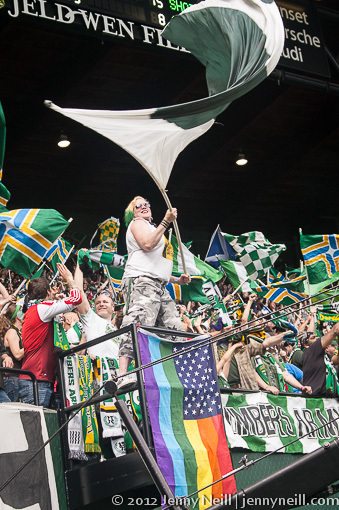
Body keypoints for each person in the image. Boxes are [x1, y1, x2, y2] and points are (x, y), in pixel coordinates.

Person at [118, 196, 191, 388]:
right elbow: (147, 245)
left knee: (174, 329)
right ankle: (122, 374)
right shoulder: (138, 224)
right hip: (141, 280)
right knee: (138, 323)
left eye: (146, 204)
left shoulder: (156, 230)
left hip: (159, 284)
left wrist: (176, 279)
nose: (142, 207)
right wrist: (166, 222)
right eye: (137, 206)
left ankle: (172, 374)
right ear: (131, 213)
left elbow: (157, 265)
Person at [19, 267, 82, 408]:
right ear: (48, 292)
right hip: (36, 379)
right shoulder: (42, 308)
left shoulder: (35, 310)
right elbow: (77, 299)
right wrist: (70, 279)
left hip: (39, 379)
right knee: (36, 428)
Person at [302, 323, 339, 397]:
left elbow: (337, 359)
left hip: (328, 402)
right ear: (305, 345)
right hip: (316, 400)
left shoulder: (323, 356)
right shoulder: (311, 350)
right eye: (313, 338)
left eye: (317, 337)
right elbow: (335, 330)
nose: (317, 338)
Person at [0, 303, 25, 401]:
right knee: (10, 408)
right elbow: (17, 354)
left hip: (17, 377)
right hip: (12, 378)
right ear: (18, 316)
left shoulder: (19, 332)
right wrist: (32, 345)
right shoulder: (12, 332)